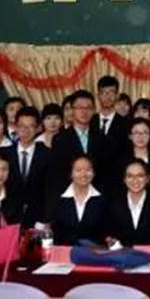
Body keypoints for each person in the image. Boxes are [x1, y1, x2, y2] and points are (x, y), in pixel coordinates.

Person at [47, 90, 103, 219]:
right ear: (72, 110)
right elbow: (56, 175)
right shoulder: (60, 139)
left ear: (94, 111)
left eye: (88, 108)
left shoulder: (102, 139)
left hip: (97, 202)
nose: (84, 111)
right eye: (79, 107)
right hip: (69, 201)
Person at [108, 159, 150, 246]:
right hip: (120, 253)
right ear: (124, 179)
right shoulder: (113, 204)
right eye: (130, 176)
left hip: (149, 254)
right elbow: (109, 235)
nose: (135, 180)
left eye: (140, 175)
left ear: (147, 178)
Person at [53, 155, 107, 245]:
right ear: (71, 174)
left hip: (94, 252)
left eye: (88, 170)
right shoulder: (58, 200)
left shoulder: (103, 200)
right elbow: (56, 233)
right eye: (78, 170)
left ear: (94, 173)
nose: (83, 174)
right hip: (66, 252)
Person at [12, 106, 49, 228]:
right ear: (15, 127)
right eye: (22, 126)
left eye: (31, 126)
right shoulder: (5, 154)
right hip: (10, 218)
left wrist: (46, 219)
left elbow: (50, 190)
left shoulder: (48, 154)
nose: (25, 131)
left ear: (38, 128)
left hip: (38, 219)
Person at [121, 118, 150, 189]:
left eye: (145, 132)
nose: (140, 136)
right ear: (130, 136)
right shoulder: (121, 159)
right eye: (136, 133)